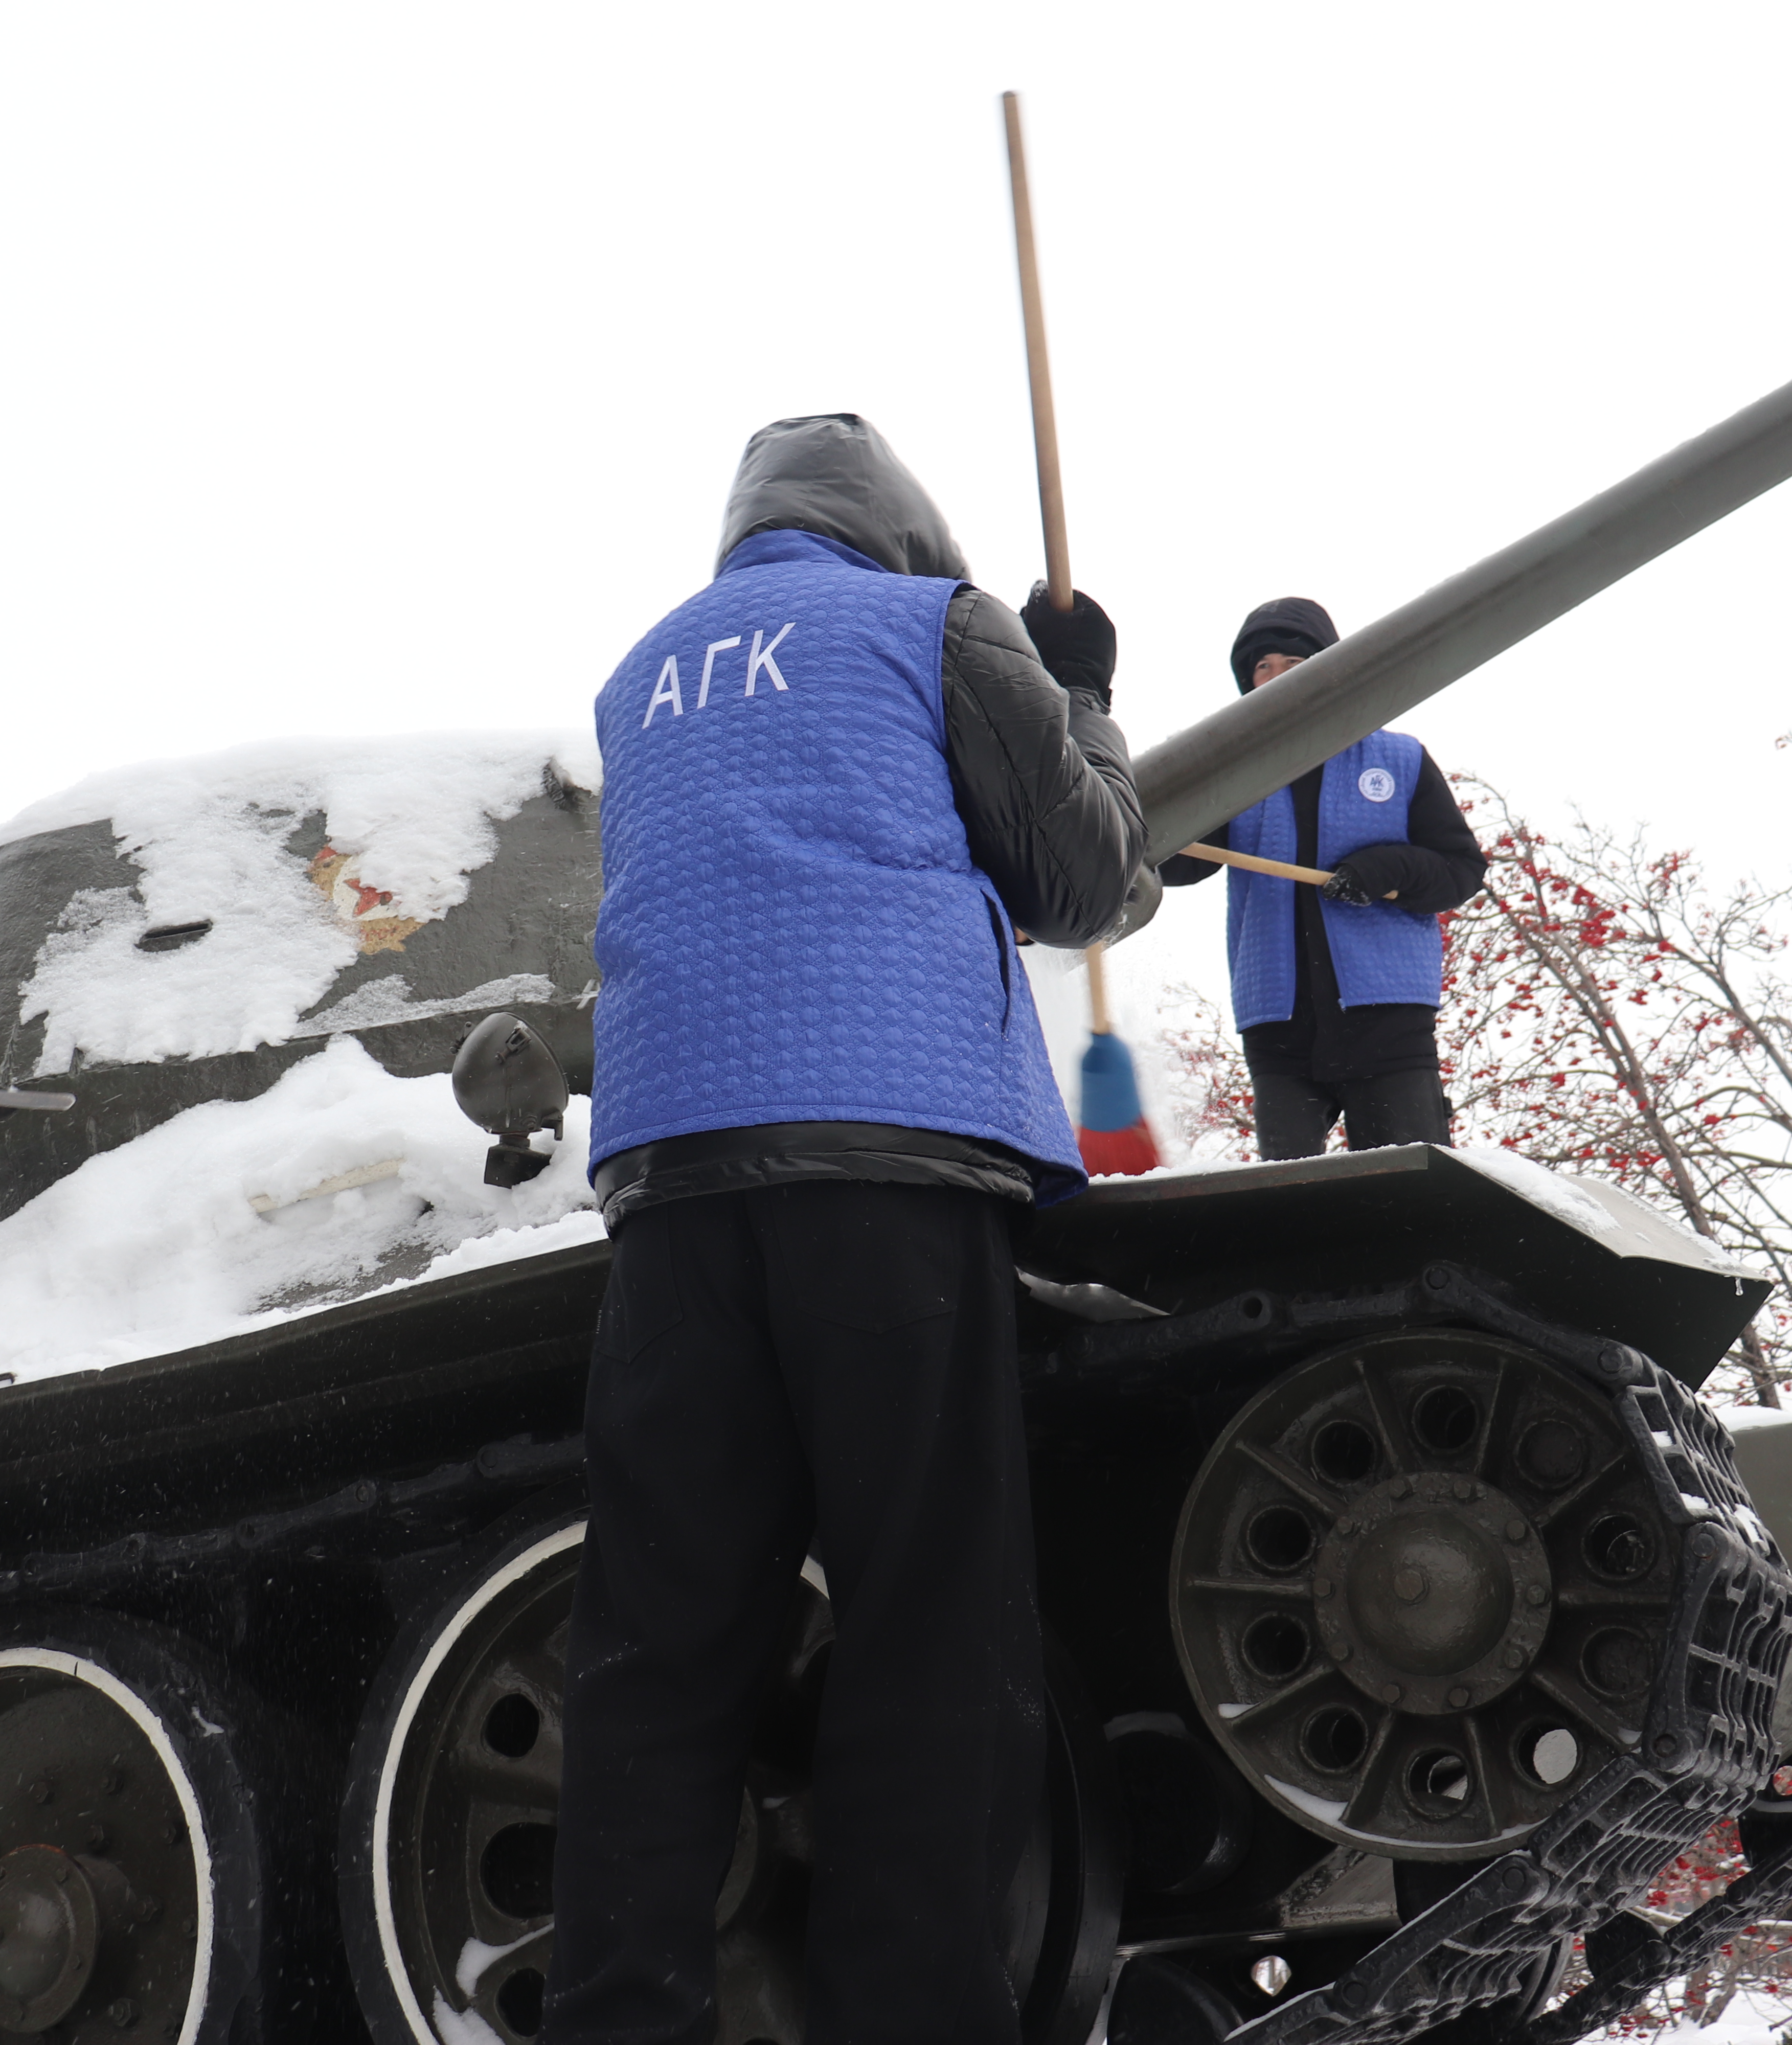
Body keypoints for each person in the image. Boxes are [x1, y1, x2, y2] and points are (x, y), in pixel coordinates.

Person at [549, 414, 1144, 2045]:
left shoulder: (641, 676)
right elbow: (1087, 877)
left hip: (670, 1186)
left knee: (656, 1648)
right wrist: (1071, 686)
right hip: (882, 1163)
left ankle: (616, 2017)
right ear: (901, 531)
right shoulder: (927, 626)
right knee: (926, 1621)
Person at [1157, 597, 1487, 1160]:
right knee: (1290, 1207)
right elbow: (1183, 857)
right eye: (1263, 667)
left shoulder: (1399, 760)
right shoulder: (1232, 772)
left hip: (1388, 1021)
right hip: (1277, 1025)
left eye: (1293, 663)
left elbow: (1460, 870)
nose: (1277, 677)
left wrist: (1384, 868)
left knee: (1412, 1199)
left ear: (1330, 669)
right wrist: (1120, 841)